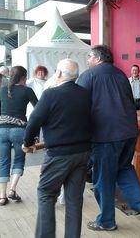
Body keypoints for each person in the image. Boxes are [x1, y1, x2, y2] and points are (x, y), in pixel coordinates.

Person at [77, 45, 140, 231]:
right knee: (124, 167)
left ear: (98, 58)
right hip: (129, 131)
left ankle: (106, 221)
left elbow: (78, 105)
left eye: (89, 57)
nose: (87, 60)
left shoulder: (89, 75)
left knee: (103, 178)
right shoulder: (121, 75)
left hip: (105, 135)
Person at [23, 59, 92, 238]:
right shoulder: (86, 94)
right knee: (74, 201)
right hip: (82, 153)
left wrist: (27, 142)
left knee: (46, 194)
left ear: (59, 74)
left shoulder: (50, 94)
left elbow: (34, 121)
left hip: (58, 155)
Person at [0, 66, 38, 206]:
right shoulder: (27, 91)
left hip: (1, 129)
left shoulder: (2, 89)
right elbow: (39, 108)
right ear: (24, 77)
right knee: (19, 159)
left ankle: (2, 196)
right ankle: (12, 189)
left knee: (3, 161)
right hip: (19, 129)